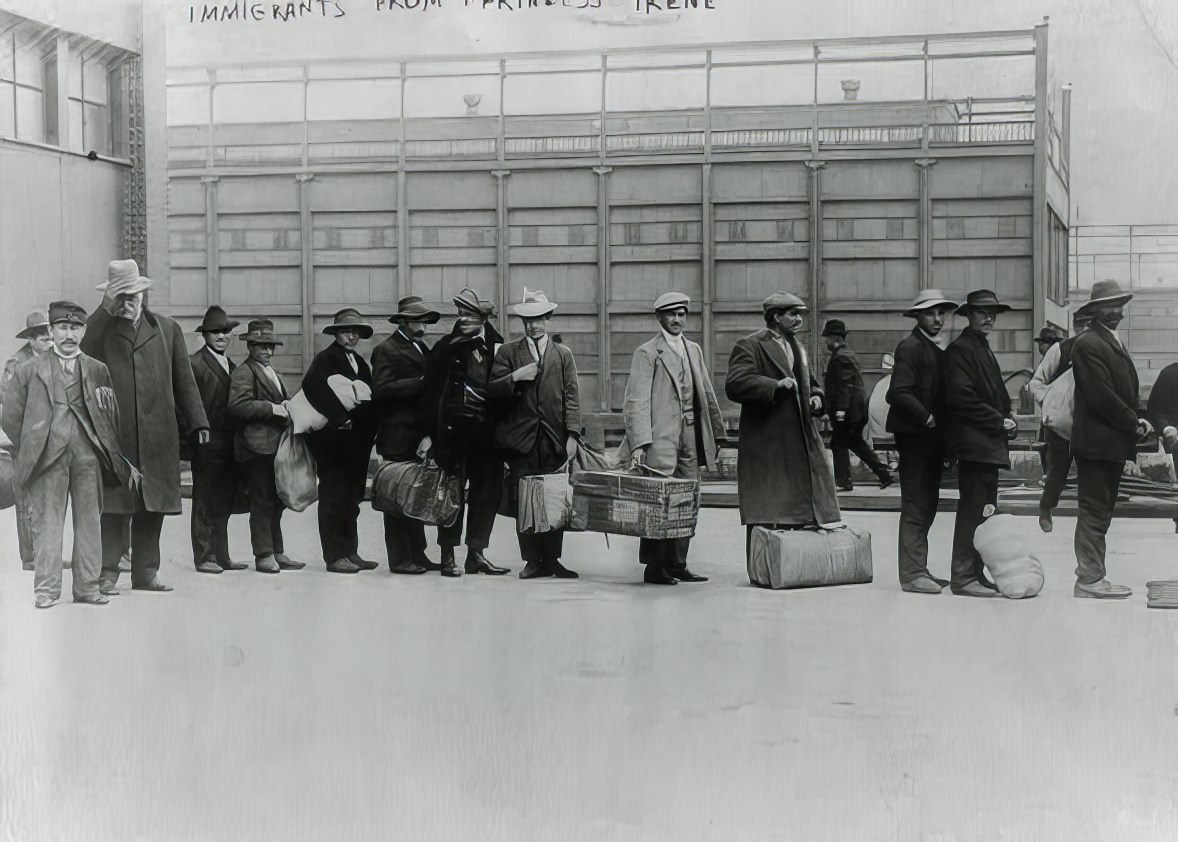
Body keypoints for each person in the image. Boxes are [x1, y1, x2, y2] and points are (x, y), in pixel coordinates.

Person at [81, 259, 209, 595]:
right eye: (118, 298)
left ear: (143, 295)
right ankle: (108, 572)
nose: (126, 303)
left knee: (153, 507)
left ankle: (146, 572)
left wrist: (198, 421)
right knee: (113, 507)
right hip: (116, 436)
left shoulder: (168, 330)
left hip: (158, 435)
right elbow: (82, 350)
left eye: (130, 296)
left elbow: (185, 381)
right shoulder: (101, 332)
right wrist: (104, 310)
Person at [1, 301, 135, 608]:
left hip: (88, 457)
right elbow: (11, 415)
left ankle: (87, 587)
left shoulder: (98, 370)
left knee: (90, 520)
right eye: (62, 327)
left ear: (84, 330)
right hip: (47, 457)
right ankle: (47, 590)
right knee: (48, 522)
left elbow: (109, 414)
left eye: (75, 328)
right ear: (51, 330)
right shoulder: (28, 370)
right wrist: (32, 444)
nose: (69, 335)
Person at [618, 291, 725, 586]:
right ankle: (654, 567)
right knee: (656, 502)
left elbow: (707, 393)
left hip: (690, 434)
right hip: (660, 438)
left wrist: (716, 435)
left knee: (687, 499)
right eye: (671, 314)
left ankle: (678, 563)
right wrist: (640, 443)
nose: (677, 319)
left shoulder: (693, 350)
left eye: (681, 314)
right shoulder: (648, 352)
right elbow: (636, 400)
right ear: (659, 317)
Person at [726, 292, 840, 550]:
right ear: (776, 316)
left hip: (798, 440)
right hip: (768, 442)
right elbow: (735, 383)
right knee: (765, 511)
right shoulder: (750, 345)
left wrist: (817, 399)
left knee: (795, 510)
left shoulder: (797, 348)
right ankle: (761, 570)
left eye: (799, 313)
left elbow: (810, 384)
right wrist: (774, 385)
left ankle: (788, 567)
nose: (799, 319)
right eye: (792, 313)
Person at [489, 289, 581, 580]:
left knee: (554, 500)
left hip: (554, 439)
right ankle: (531, 560)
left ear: (548, 319)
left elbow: (572, 397)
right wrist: (515, 377)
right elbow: (492, 391)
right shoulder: (508, 352)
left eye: (538, 318)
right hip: (522, 440)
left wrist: (573, 435)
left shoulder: (563, 354)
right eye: (527, 319)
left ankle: (552, 559)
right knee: (525, 501)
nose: (533, 325)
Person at [1070, 280, 1151, 599]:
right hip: (1096, 443)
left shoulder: (1109, 341)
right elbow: (1102, 397)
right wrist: (1134, 423)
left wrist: (1136, 420)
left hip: (1108, 442)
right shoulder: (1089, 344)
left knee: (1101, 510)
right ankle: (1088, 579)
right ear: (1094, 311)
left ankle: (1093, 576)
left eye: (1119, 305)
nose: (1116, 311)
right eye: (1109, 305)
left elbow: (1119, 391)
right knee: (1093, 509)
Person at [425, 288, 509, 577]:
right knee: (450, 494)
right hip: (454, 436)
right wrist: (430, 436)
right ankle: (447, 554)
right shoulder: (445, 348)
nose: (463, 320)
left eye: (470, 315)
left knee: (486, 495)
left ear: (483, 319)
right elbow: (430, 395)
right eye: (460, 314)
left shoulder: (499, 347)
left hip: (488, 438)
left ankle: (476, 554)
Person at [943, 289, 1017, 598]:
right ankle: (962, 576)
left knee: (985, 513)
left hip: (986, 444)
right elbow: (961, 398)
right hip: (975, 446)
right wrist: (998, 420)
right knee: (973, 511)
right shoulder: (961, 350)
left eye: (992, 313)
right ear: (969, 315)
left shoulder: (980, 348)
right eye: (982, 312)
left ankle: (975, 572)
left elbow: (993, 393)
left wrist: (1007, 414)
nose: (988, 318)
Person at [886, 289, 957, 594]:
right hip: (916, 439)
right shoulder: (911, 347)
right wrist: (927, 418)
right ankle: (912, 573)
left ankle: (919, 569)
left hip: (930, 440)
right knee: (917, 505)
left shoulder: (932, 349)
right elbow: (898, 392)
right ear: (917, 317)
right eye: (930, 313)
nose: (938, 319)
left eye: (942, 313)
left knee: (927, 504)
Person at [302, 308, 380, 574]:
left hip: (356, 444)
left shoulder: (359, 361)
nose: (351, 336)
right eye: (346, 331)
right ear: (336, 333)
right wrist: (340, 418)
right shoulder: (325, 359)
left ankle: (351, 551)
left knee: (352, 498)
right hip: (333, 443)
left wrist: (369, 429)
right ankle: (334, 556)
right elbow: (313, 388)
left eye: (355, 332)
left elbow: (371, 396)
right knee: (333, 498)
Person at [370, 296, 441, 575]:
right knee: (396, 496)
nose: (422, 324)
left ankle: (418, 554)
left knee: (416, 494)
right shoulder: (386, 349)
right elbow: (382, 389)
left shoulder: (421, 346)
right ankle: (400, 559)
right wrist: (421, 384)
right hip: (397, 434)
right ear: (403, 321)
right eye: (417, 320)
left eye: (424, 320)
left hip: (417, 434)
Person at [227, 319, 303, 574]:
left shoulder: (272, 372)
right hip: (255, 448)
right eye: (261, 346)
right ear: (249, 346)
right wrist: (273, 408)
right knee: (261, 501)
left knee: (276, 500)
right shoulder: (244, 372)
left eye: (270, 346)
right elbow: (237, 406)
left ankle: (277, 551)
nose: (267, 351)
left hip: (273, 447)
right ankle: (263, 555)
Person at [188, 306, 247, 574]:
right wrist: (195, 433)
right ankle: (204, 556)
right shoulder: (195, 363)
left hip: (230, 442)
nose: (221, 336)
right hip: (206, 440)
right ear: (205, 335)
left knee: (224, 499)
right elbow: (185, 403)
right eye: (215, 332)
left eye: (226, 331)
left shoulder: (233, 366)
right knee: (204, 499)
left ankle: (221, 555)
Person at [1027, 314, 1091, 533]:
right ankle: (1046, 507)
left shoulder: (1105, 350)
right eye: (1084, 324)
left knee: (1090, 472)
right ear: (1077, 326)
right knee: (1058, 469)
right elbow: (1036, 382)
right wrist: (1050, 400)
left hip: (1089, 421)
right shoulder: (1062, 349)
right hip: (1060, 421)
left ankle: (1088, 521)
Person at [3, 311, 52, 570]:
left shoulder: (49, 361)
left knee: (45, 498)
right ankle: (29, 557)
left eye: (49, 336)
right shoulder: (17, 365)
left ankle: (44, 552)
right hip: (23, 443)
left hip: (46, 442)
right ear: (31, 339)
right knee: (25, 500)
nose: (48, 341)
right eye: (43, 337)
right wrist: (22, 445)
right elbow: (9, 414)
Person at [820, 318, 894, 492]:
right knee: (854, 443)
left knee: (839, 444)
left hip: (848, 413)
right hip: (854, 412)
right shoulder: (847, 354)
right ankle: (884, 475)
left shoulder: (841, 357)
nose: (825, 342)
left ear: (834, 337)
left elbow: (845, 387)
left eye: (827, 338)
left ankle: (844, 481)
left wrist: (840, 411)